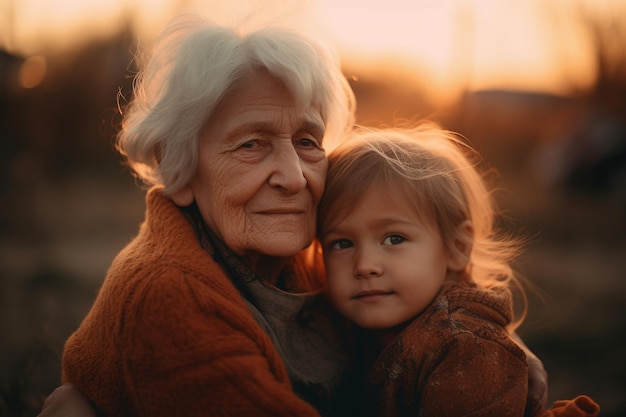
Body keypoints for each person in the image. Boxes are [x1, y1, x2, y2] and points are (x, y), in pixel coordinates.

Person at [38, 12, 549, 417]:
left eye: (307, 141)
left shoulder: (290, 257)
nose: (294, 176)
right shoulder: (169, 298)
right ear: (181, 170)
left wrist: (491, 351)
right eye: (252, 144)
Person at [317, 125, 600, 417]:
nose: (364, 265)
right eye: (342, 243)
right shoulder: (348, 324)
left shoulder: (467, 348)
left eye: (394, 239)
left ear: (456, 247)